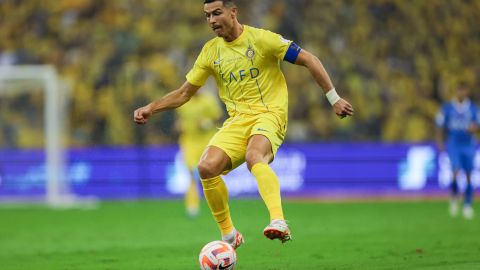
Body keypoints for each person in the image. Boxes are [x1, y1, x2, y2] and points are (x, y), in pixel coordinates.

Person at [134, 0, 354, 248]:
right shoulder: (210, 52)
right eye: (207, 16)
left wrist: (333, 98)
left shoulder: (262, 40)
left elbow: (310, 59)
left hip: (269, 113)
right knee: (206, 167)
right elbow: (185, 93)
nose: (212, 20)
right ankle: (229, 235)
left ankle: (279, 221)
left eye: (217, 13)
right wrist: (151, 107)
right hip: (237, 120)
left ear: (233, 11)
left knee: (254, 156)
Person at [176, 89, 222, 217]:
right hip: (189, 141)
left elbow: (218, 118)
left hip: (207, 141)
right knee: (191, 173)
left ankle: (218, 205)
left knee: (211, 175)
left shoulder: (208, 100)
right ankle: (192, 207)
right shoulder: (184, 102)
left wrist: (206, 123)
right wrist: (180, 125)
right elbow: (180, 119)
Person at [436, 82, 479, 220]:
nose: (462, 93)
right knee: (455, 171)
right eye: (460, 91)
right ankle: (454, 199)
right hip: (454, 144)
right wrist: (440, 141)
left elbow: (477, 125)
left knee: (468, 175)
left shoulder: (473, 108)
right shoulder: (447, 108)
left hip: (468, 145)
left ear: (466, 92)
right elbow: (439, 125)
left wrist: (474, 129)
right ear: (456, 92)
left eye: (464, 91)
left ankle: (467, 205)